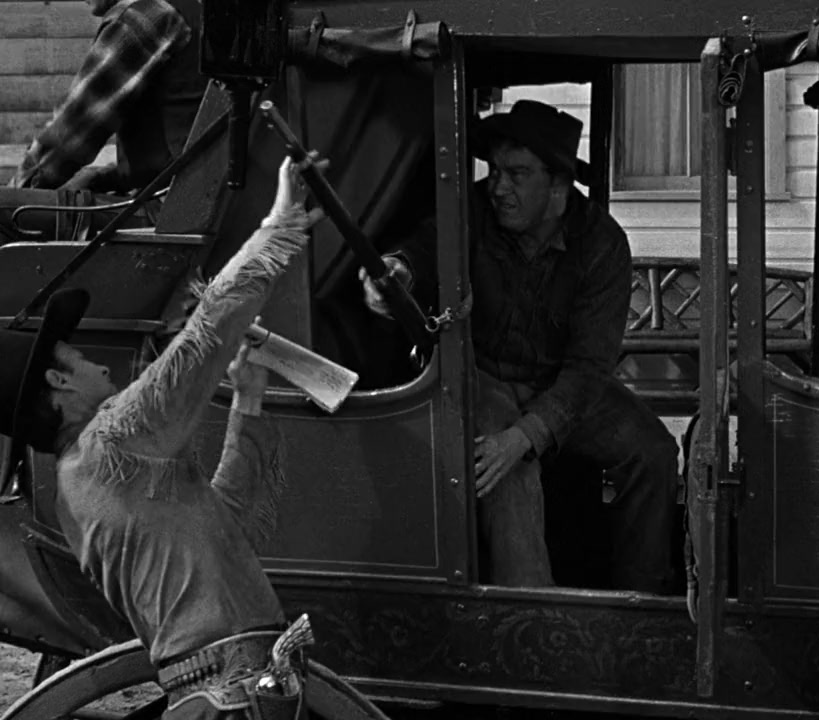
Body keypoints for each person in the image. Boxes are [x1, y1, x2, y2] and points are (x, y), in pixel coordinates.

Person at [0, 156, 324, 717]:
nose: (100, 365)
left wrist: (247, 400)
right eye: (79, 359)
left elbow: (227, 520)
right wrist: (279, 225)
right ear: (59, 383)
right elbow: (205, 337)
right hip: (232, 695)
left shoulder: (79, 487)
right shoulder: (109, 439)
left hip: (229, 691)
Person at [361, 100, 679, 592]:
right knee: (503, 471)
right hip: (483, 378)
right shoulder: (472, 211)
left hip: (562, 386)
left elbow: (588, 369)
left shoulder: (603, 245)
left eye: (517, 174)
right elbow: (423, 250)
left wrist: (526, 435)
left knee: (653, 452)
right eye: (495, 171)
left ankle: (642, 601)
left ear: (557, 186)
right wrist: (396, 273)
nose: (498, 187)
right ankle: (532, 613)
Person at [1, 0, 205, 243]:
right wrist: (103, 177)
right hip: (191, 208)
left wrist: (14, 194)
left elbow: (70, 137)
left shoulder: (146, 16)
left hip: (166, 216)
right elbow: (176, 146)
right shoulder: (189, 10)